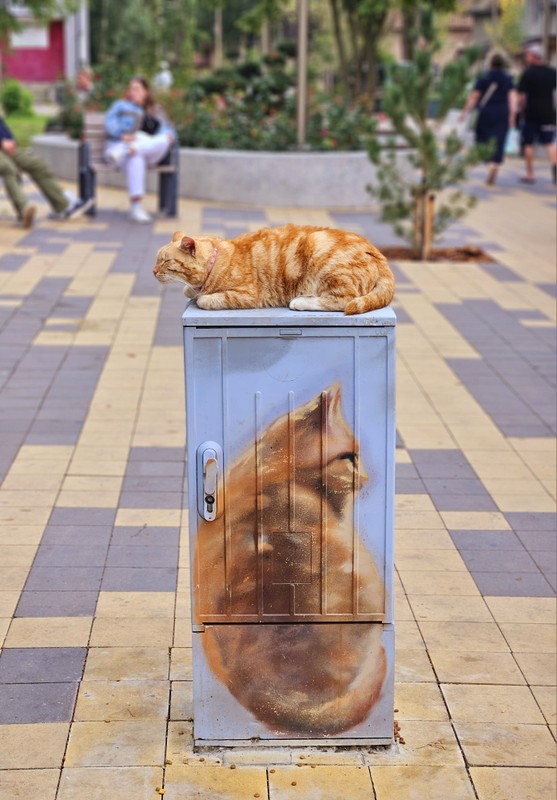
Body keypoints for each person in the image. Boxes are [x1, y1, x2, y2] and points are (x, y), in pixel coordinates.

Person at [104, 75, 176, 223]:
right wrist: (122, 135)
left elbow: (169, 131)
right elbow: (109, 123)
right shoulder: (121, 106)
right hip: (120, 149)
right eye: (131, 89)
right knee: (136, 157)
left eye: (136, 89)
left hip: (146, 151)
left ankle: (130, 148)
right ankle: (136, 208)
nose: (132, 92)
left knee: (161, 139)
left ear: (146, 91)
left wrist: (168, 136)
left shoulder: (156, 110)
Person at [0, 115, 93, 228]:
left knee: (38, 165)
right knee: (9, 168)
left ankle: (63, 206)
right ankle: (23, 210)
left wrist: (9, 139)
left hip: (4, 147)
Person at [461, 52, 516, 186]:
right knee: (499, 139)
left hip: (486, 112)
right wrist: (512, 115)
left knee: (483, 136)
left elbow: (474, 96)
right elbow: (512, 98)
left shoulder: (483, 77)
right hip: (502, 112)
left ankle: (488, 162)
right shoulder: (508, 78)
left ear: (490, 64)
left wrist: (465, 112)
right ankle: (494, 163)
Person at [515, 43, 557, 184]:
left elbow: (521, 95)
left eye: (528, 55)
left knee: (528, 143)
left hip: (531, 113)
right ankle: (555, 171)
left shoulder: (527, 73)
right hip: (548, 113)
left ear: (534, 56)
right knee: (550, 143)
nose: (526, 57)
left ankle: (530, 174)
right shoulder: (552, 72)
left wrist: (520, 108)